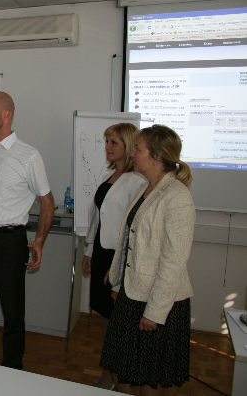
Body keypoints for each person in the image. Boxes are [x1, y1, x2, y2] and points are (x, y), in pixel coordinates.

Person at [100, 124, 195, 395]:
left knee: (149, 377)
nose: (132, 154)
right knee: (126, 371)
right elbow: (130, 242)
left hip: (158, 302)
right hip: (134, 294)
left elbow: (173, 262)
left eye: (138, 150)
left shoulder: (177, 197)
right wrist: (118, 282)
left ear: (156, 157)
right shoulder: (147, 188)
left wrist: (154, 312)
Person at [0, 91, 54, 370]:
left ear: (6, 115)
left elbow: (47, 202)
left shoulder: (28, 155)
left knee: (13, 310)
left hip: (10, 241)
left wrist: (39, 240)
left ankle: (13, 367)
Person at [81, 123, 144, 389]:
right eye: (107, 141)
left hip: (118, 258)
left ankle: (121, 381)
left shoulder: (136, 181)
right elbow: (98, 218)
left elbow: (133, 228)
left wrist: (119, 266)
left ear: (128, 146)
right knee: (106, 317)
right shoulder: (110, 176)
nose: (107, 147)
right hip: (101, 253)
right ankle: (109, 375)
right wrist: (88, 251)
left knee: (120, 323)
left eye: (113, 142)